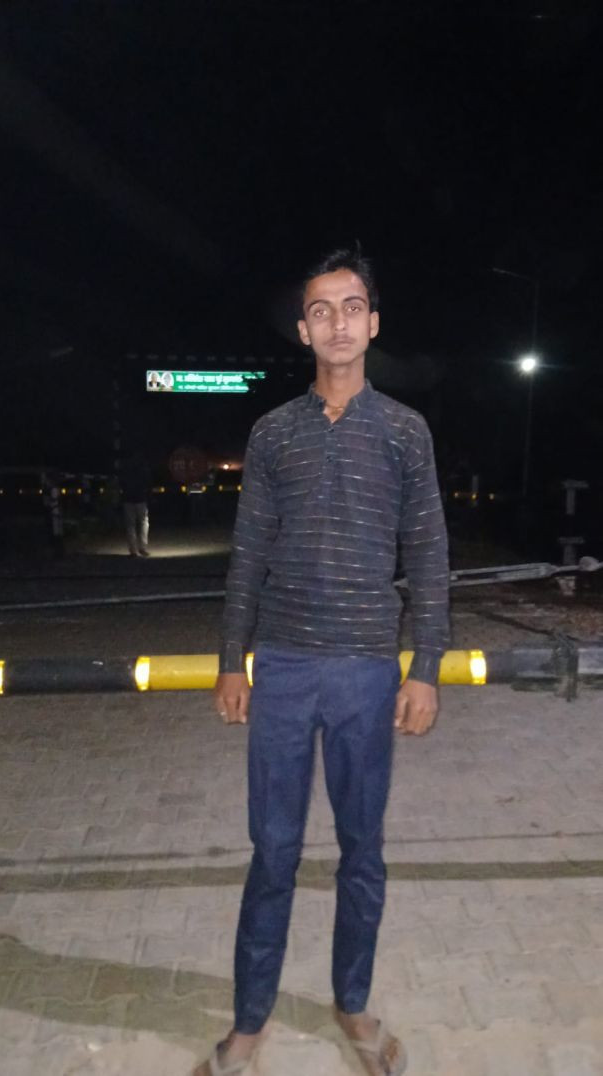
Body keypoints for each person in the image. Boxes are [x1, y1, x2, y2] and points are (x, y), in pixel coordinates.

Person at [197, 248, 449, 1076]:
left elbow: (428, 555)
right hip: (284, 666)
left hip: (367, 670)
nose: (336, 322)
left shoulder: (405, 431)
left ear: (372, 323)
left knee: (362, 850)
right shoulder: (274, 432)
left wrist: (424, 668)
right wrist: (231, 658)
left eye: (350, 307)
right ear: (303, 331)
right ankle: (250, 1022)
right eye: (320, 310)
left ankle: (353, 1004)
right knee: (272, 851)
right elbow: (248, 553)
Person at [120, 451, 152, 557]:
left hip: (128, 498)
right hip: (140, 498)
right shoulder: (143, 467)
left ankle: (133, 550)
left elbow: (122, 482)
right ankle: (142, 548)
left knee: (130, 525)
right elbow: (148, 481)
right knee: (143, 523)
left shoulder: (125, 467)